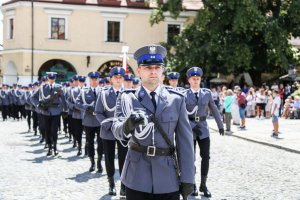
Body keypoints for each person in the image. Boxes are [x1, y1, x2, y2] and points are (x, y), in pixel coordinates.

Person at [112, 44, 194, 200]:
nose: (153, 71)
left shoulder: (176, 100)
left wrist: (188, 178)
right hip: (136, 175)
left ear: (162, 71)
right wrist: (127, 125)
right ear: (139, 71)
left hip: (167, 176)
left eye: (157, 67)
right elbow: (116, 129)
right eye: (148, 67)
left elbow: (185, 142)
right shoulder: (127, 98)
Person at [185, 66, 224, 197]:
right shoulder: (184, 95)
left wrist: (220, 125)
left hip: (203, 129)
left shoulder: (206, 93)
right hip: (190, 130)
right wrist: (190, 124)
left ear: (200, 79)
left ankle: (203, 184)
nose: (196, 81)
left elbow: (214, 109)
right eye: (193, 78)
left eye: (198, 78)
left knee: (206, 157)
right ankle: (193, 185)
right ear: (189, 80)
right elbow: (182, 114)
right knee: (191, 159)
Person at [95, 66, 128, 196]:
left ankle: (124, 185)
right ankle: (111, 184)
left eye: (120, 77)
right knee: (109, 159)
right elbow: (98, 112)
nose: (118, 80)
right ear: (111, 79)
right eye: (116, 77)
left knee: (124, 159)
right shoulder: (103, 94)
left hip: (124, 132)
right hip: (108, 131)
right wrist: (108, 124)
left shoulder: (128, 94)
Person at [31, 72, 67, 156]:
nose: (51, 80)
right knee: (47, 130)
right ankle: (49, 148)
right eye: (50, 79)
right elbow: (33, 97)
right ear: (48, 79)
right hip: (45, 112)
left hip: (56, 112)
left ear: (55, 79)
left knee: (54, 130)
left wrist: (65, 109)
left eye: (53, 79)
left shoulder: (59, 87)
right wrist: (38, 105)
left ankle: (55, 147)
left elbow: (63, 99)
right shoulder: (43, 87)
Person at [75, 72, 103, 172]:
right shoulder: (84, 91)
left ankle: (99, 162)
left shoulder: (103, 91)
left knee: (101, 144)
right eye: (92, 79)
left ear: (98, 80)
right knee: (90, 143)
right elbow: (77, 103)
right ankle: (92, 163)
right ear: (89, 80)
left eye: (96, 79)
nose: (94, 81)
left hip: (100, 122)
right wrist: (86, 108)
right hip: (89, 122)